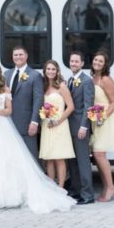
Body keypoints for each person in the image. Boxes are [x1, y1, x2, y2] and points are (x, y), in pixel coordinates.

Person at [0, 62, 76, 214]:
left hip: (2, 126)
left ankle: (9, 194)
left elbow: (9, 110)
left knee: (5, 159)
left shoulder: (5, 89)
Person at [90, 51, 114, 202]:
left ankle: (110, 187)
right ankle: (106, 187)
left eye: (100, 61)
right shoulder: (93, 78)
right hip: (95, 119)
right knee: (99, 156)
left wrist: (103, 116)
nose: (97, 62)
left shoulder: (106, 79)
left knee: (99, 154)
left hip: (105, 119)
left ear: (105, 64)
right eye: (95, 60)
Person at [38, 60, 75, 188]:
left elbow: (70, 107)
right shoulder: (42, 87)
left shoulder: (62, 87)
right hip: (47, 125)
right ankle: (51, 187)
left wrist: (58, 121)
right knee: (48, 158)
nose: (51, 71)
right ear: (45, 71)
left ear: (57, 71)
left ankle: (61, 187)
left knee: (59, 158)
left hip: (59, 125)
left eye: (53, 69)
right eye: (48, 69)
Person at [67, 50, 96, 205]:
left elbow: (88, 106)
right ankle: (77, 191)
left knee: (83, 161)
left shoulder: (87, 81)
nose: (74, 64)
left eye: (77, 61)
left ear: (82, 64)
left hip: (80, 128)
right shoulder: (69, 80)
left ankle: (88, 194)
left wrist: (84, 126)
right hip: (69, 127)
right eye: (72, 61)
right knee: (73, 162)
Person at [4, 45, 44, 157]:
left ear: (26, 56)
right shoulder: (6, 74)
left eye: (20, 54)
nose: (18, 57)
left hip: (27, 124)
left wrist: (35, 122)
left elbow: (38, 100)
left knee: (30, 156)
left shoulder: (35, 75)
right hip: (8, 123)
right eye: (15, 55)